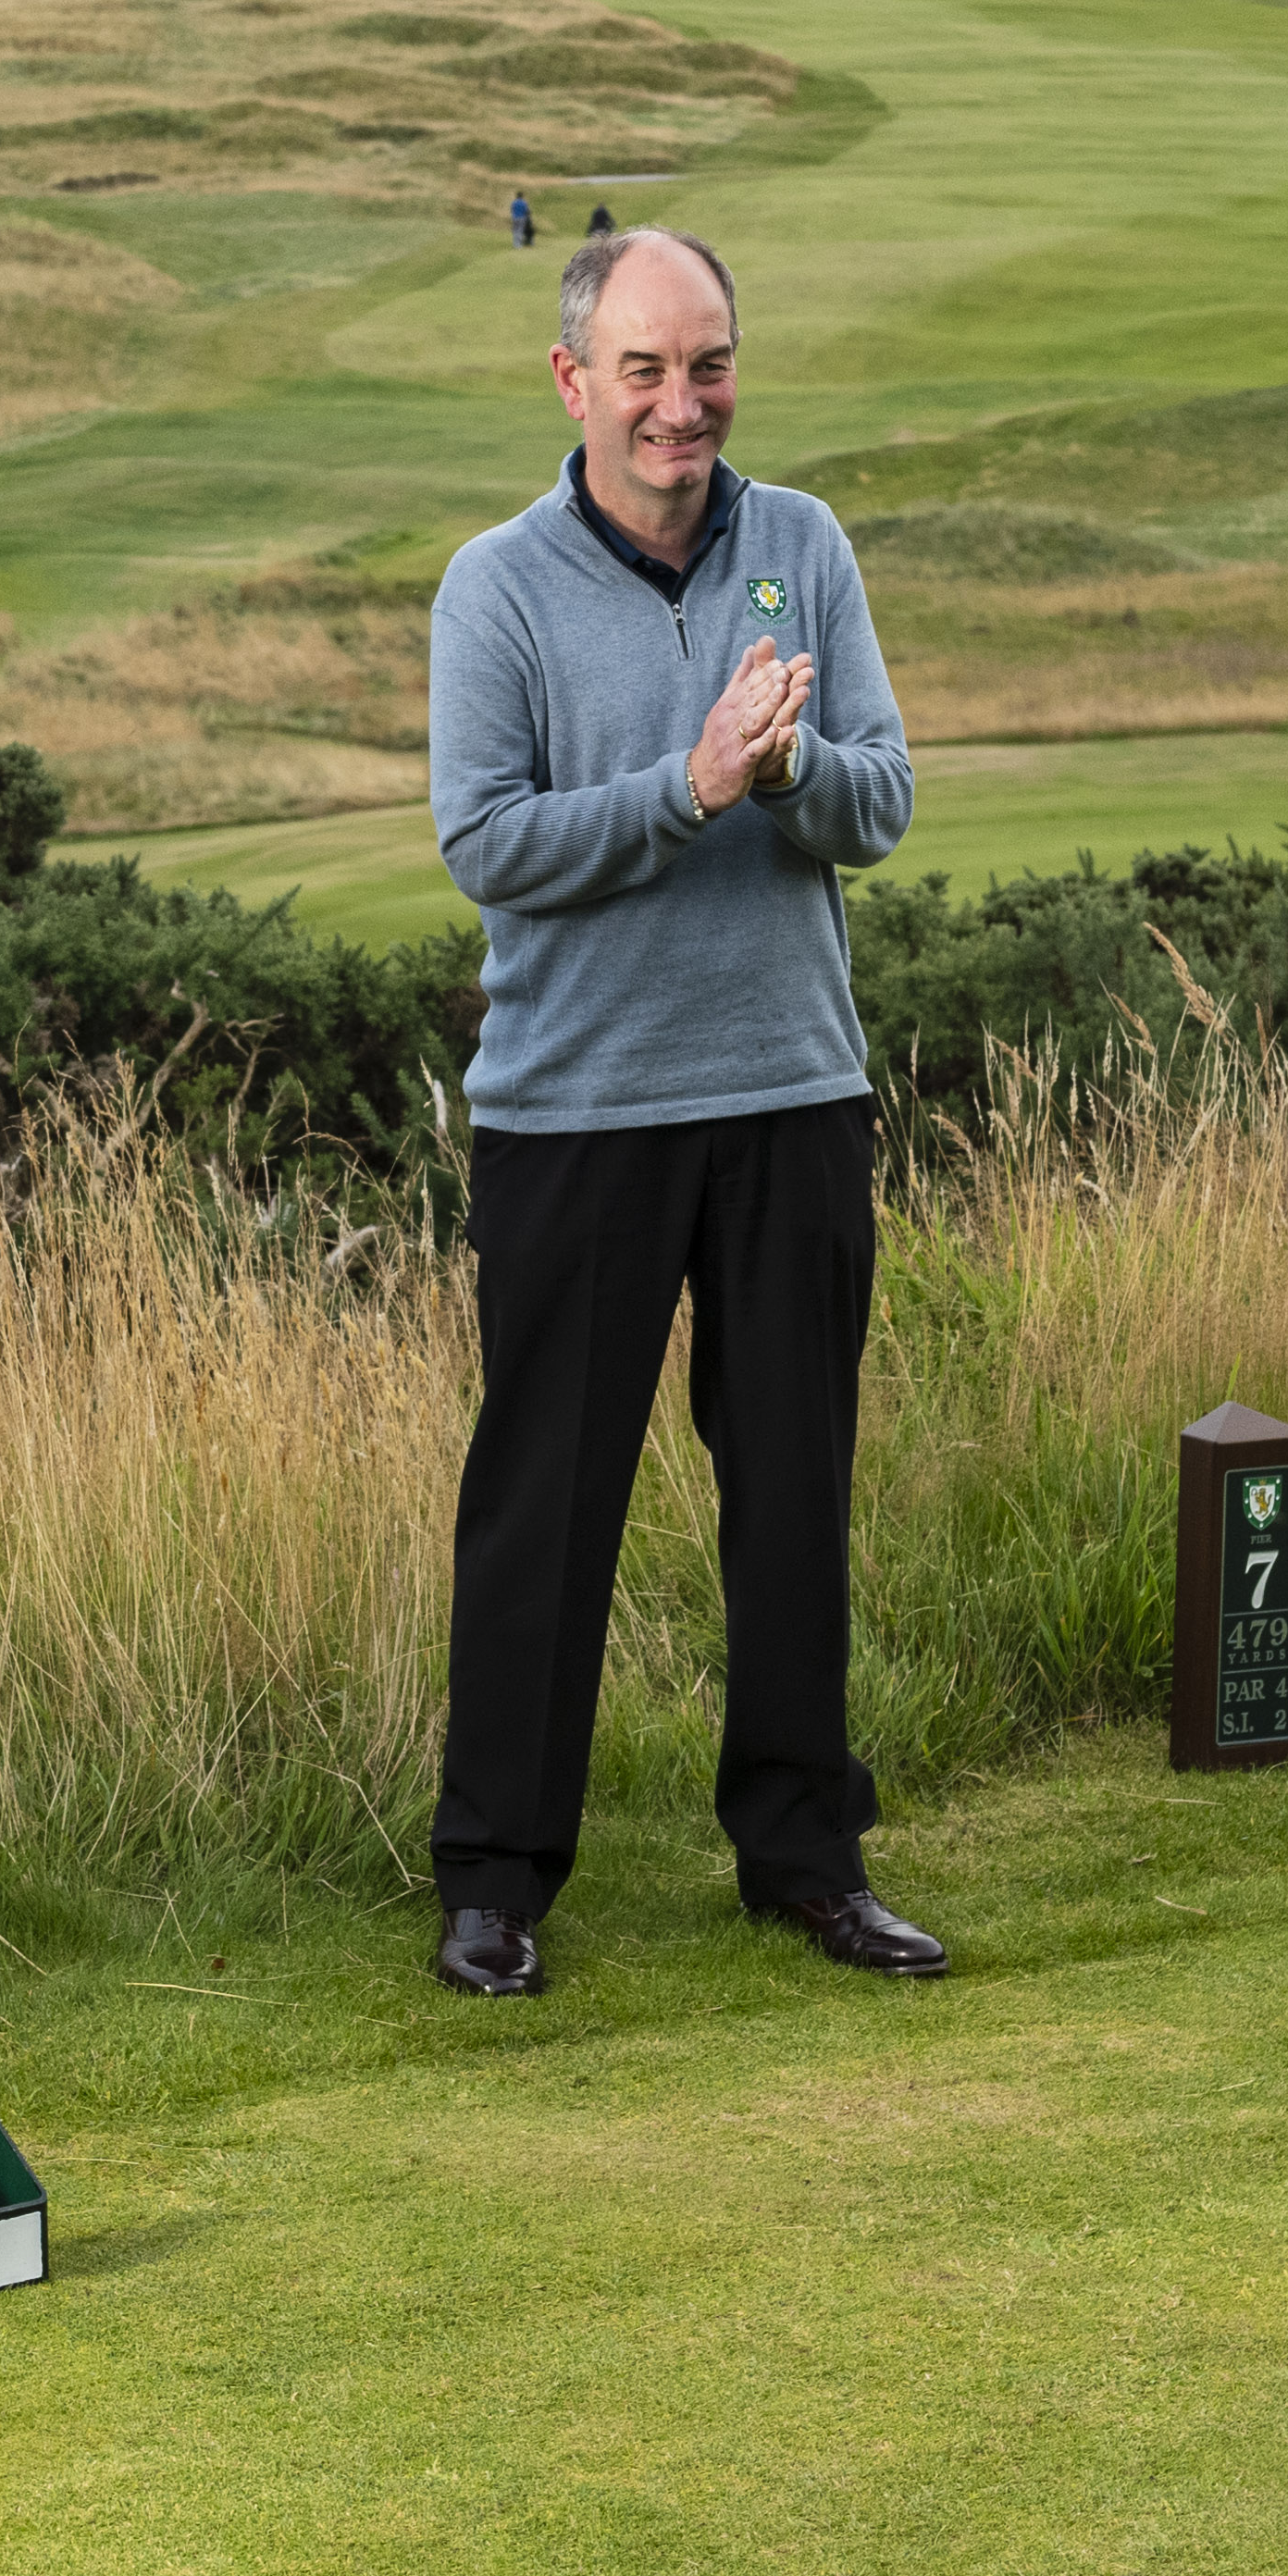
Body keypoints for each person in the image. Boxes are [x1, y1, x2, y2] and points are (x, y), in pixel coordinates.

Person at [421, 224, 943, 2000]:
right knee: (546, 1503)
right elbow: (488, 844)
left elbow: (877, 803)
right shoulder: (495, 586)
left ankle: (806, 1857)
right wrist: (693, 786)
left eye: (706, 364)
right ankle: (496, 1879)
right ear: (574, 382)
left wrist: (786, 770)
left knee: (794, 1490)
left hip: (791, 1094)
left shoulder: (801, 545)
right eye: (643, 370)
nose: (681, 403)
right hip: (574, 1115)